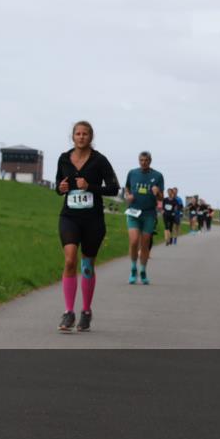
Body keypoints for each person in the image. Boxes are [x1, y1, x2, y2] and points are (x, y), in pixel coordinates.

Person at [55, 121, 120, 332]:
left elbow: (113, 188)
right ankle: (68, 312)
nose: (81, 137)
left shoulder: (99, 160)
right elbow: (59, 185)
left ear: (90, 137)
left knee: (86, 266)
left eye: (85, 134)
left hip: (93, 220)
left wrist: (90, 186)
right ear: (72, 137)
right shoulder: (64, 158)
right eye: (77, 134)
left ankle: (85, 311)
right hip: (69, 217)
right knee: (70, 259)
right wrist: (61, 188)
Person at [124, 151, 164, 285]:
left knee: (145, 243)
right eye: (141, 160)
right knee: (134, 241)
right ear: (138, 160)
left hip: (148, 214)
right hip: (134, 212)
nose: (143, 162)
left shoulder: (157, 176)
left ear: (150, 161)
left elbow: (161, 197)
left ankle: (143, 270)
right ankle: (133, 268)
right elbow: (127, 189)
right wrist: (128, 196)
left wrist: (157, 192)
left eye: (146, 160)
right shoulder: (132, 173)